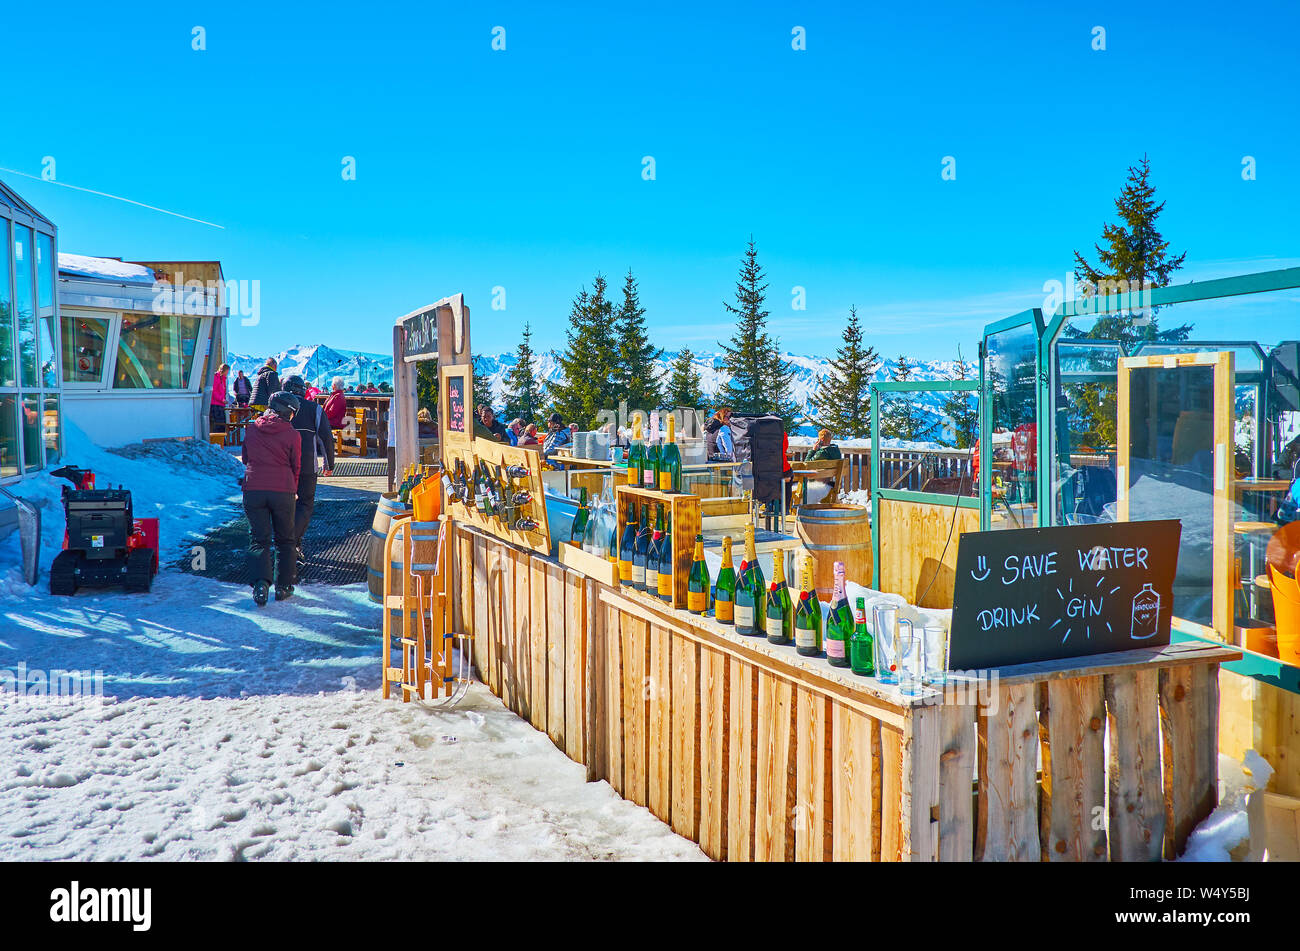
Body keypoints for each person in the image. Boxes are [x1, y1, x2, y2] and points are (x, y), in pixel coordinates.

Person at [242, 391, 301, 605]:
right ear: (288, 412)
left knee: (259, 539)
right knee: (285, 540)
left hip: (253, 488)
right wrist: (293, 488)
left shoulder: (252, 428)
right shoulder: (292, 434)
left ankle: (260, 585)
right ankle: (284, 586)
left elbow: (246, 457)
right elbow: (296, 466)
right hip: (282, 489)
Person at [281, 375, 335, 566]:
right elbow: (326, 437)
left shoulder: (277, 409)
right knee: (304, 505)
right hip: (306, 465)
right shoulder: (314, 409)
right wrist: (329, 465)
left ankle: (293, 544)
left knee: (286, 506)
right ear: (302, 390)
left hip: (280, 466)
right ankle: (291, 544)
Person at [210, 363, 229, 435]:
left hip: (221, 404)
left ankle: (222, 440)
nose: (227, 373)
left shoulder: (223, 379)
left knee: (222, 424)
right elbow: (213, 391)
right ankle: (218, 440)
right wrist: (222, 399)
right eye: (227, 371)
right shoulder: (216, 377)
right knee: (218, 424)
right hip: (215, 404)